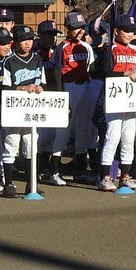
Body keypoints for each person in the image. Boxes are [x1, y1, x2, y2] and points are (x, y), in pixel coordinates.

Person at [0, 24, 47, 197]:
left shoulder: (38, 59)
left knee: (31, 145)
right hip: (14, 108)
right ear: (15, 42)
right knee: (12, 144)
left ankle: (31, 184)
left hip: (32, 108)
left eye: (30, 40)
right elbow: (4, 88)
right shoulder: (10, 61)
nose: (27, 43)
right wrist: (23, 88)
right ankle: (8, 184)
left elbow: (43, 82)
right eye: (23, 40)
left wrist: (40, 89)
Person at [95, 16, 136, 191]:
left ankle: (125, 176)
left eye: (132, 31)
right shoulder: (110, 49)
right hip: (114, 100)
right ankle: (105, 177)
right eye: (126, 30)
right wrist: (125, 74)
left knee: (128, 139)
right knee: (112, 137)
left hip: (132, 101)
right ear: (116, 31)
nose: (130, 34)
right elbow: (106, 73)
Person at [49, 12, 99, 184]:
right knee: (63, 131)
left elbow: (92, 68)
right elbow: (56, 72)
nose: (79, 31)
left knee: (83, 129)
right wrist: (61, 95)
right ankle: (54, 170)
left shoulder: (86, 47)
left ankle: (80, 170)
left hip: (84, 86)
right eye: (75, 28)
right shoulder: (62, 47)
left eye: (82, 28)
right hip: (68, 87)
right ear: (68, 29)